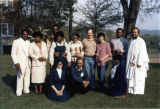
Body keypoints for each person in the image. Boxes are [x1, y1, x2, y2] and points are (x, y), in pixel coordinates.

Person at [126, 27, 149, 95]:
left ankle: (137, 91)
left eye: (135, 32)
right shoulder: (131, 40)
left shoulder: (141, 41)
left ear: (138, 33)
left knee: (137, 77)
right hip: (131, 62)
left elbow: (142, 53)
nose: (134, 33)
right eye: (133, 32)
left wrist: (140, 63)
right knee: (131, 76)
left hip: (138, 63)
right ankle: (130, 90)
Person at [11, 29, 31, 96]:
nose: (25, 35)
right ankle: (18, 92)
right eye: (24, 34)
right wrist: (16, 63)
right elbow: (13, 54)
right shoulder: (16, 41)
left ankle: (26, 90)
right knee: (20, 77)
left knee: (27, 76)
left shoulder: (28, 42)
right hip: (20, 62)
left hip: (28, 62)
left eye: (26, 34)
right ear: (21, 34)